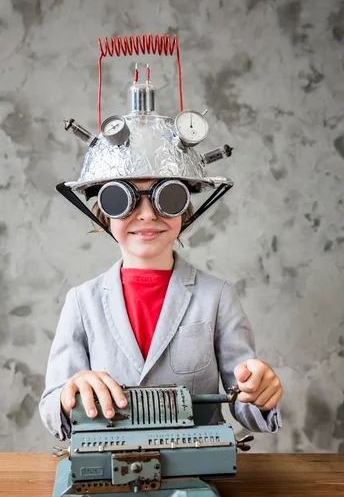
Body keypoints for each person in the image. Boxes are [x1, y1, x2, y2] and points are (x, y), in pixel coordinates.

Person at [39, 176, 283, 441]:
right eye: (122, 199)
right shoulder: (81, 300)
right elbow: (53, 408)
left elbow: (244, 398)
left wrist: (259, 393)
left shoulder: (218, 296)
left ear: (185, 209)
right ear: (104, 214)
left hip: (198, 462)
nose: (146, 214)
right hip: (110, 465)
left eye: (166, 197)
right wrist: (67, 395)